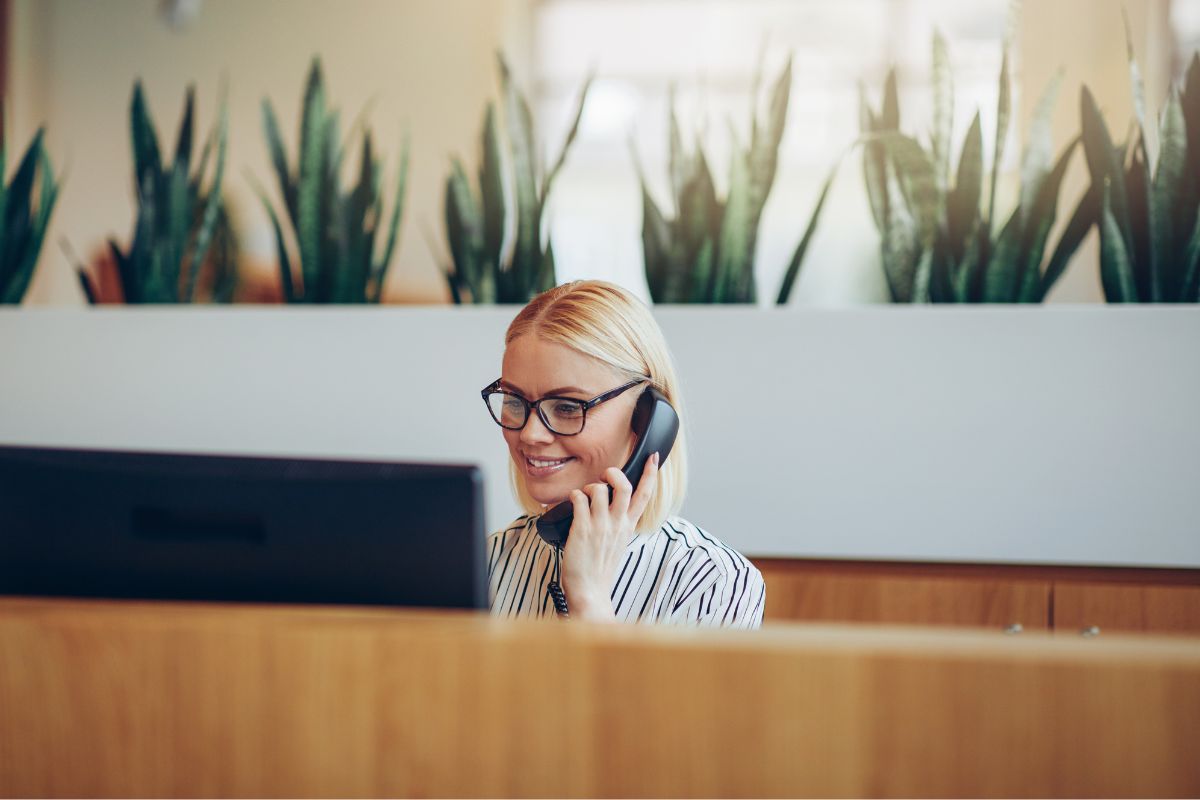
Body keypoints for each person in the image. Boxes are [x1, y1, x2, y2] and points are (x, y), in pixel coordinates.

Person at [482, 280, 764, 627]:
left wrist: (589, 598)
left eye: (568, 407)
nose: (530, 434)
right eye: (514, 401)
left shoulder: (713, 583)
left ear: (649, 421)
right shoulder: (486, 563)